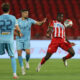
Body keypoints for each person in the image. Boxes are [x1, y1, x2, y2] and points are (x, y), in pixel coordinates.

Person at [15, 9, 46, 75]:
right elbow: (14, 31)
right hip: (19, 40)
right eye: (26, 13)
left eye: (27, 13)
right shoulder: (17, 21)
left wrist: (42, 22)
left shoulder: (30, 20)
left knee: (28, 52)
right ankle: (22, 68)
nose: (27, 14)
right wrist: (18, 34)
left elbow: (38, 23)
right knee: (19, 54)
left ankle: (27, 61)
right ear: (22, 13)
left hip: (26, 40)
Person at [0, 3, 22, 79]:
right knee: (12, 56)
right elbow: (18, 29)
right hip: (10, 40)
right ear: (9, 9)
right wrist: (19, 34)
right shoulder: (13, 18)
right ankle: (15, 74)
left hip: (1, 40)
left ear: (2, 9)